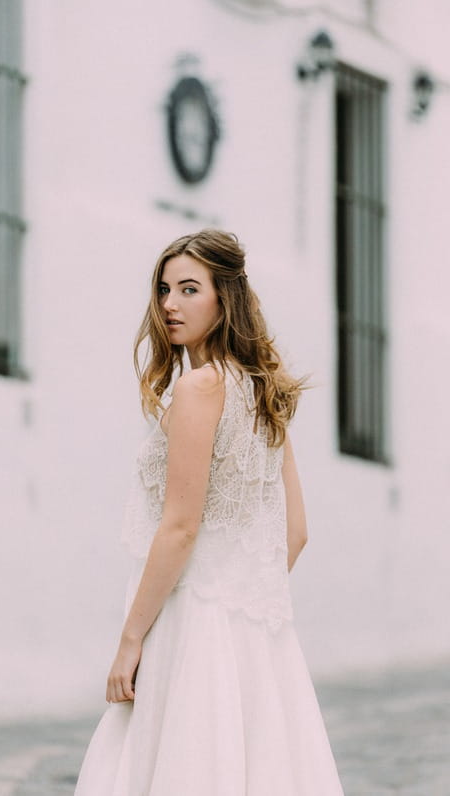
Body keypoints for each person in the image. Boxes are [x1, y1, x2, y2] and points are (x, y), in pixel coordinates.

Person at [74, 229, 344, 795]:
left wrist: (131, 641)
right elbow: (295, 534)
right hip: (255, 635)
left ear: (226, 299)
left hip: (188, 624)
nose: (169, 305)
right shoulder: (262, 392)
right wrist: (239, 602)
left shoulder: (201, 388)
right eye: (165, 289)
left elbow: (179, 528)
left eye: (189, 289)